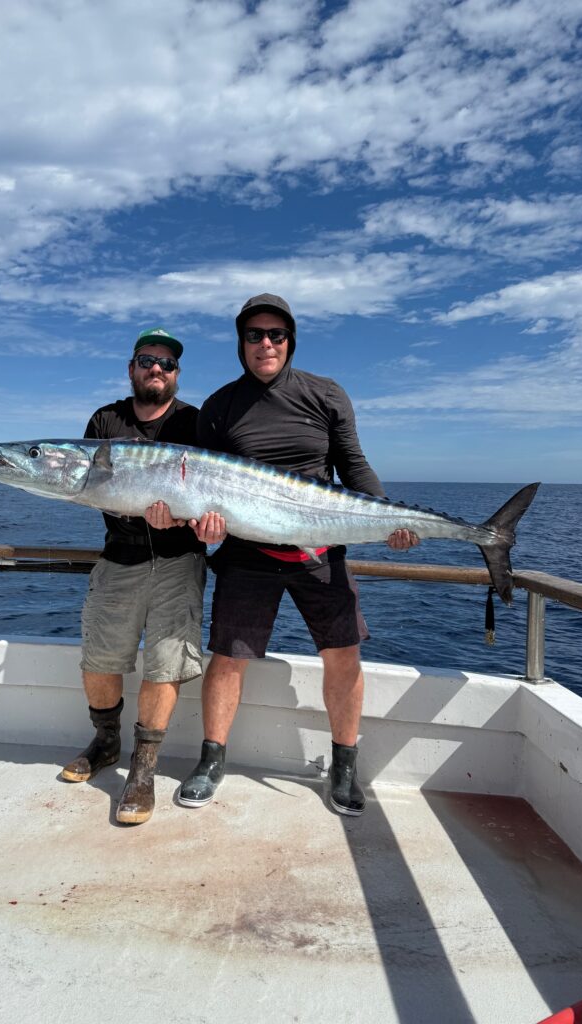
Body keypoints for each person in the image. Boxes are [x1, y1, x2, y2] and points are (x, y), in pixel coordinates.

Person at [155, 294, 418, 817]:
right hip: (247, 555)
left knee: (342, 656)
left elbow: (354, 466)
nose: (265, 344)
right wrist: (203, 526)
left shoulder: (325, 394)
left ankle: (344, 765)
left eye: (276, 334)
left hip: (320, 553)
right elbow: (205, 491)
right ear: (240, 344)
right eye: (254, 335)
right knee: (228, 659)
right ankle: (212, 759)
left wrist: (389, 516)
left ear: (290, 340)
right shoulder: (220, 406)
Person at [60, 327, 223, 825]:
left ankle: (143, 769)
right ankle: (107, 743)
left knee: (165, 665)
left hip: (180, 561)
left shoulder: (195, 422)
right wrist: (135, 515)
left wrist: (203, 524)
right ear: (131, 367)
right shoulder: (105, 420)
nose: (157, 369)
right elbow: (95, 488)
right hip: (119, 558)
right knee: (99, 661)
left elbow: (213, 490)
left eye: (167, 363)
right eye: (147, 360)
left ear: (177, 374)